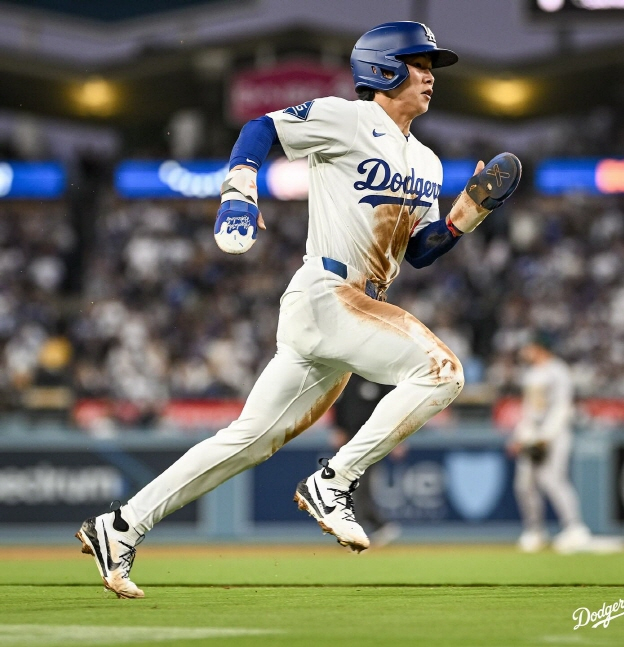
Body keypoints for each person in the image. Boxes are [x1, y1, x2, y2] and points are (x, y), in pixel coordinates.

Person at [76, 21, 521, 598]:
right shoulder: (347, 118)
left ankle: (120, 526)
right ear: (383, 68)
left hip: (352, 305)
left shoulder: (429, 162)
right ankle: (333, 482)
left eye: (431, 66)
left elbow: (419, 251)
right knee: (443, 372)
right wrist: (239, 189)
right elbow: (259, 128)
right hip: (329, 291)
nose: (430, 76)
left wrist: (467, 214)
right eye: (419, 63)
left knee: (247, 440)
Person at [508, 334, 590, 553]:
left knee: (553, 480)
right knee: (524, 483)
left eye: (530, 347)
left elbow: (562, 407)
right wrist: (520, 436)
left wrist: (546, 436)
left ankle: (575, 528)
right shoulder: (531, 373)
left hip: (556, 433)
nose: (526, 351)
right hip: (533, 432)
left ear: (540, 348)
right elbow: (528, 411)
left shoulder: (558, 370)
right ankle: (535, 531)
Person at [330, 373, 402, 546]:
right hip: (350, 440)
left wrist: (398, 438)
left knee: (360, 486)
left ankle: (362, 530)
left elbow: (394, 409)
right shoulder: (348, 376)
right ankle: (377, 526)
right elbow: (340, 404)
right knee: (351, 486)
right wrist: (339, 428)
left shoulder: (381, 377)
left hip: (372, 441)